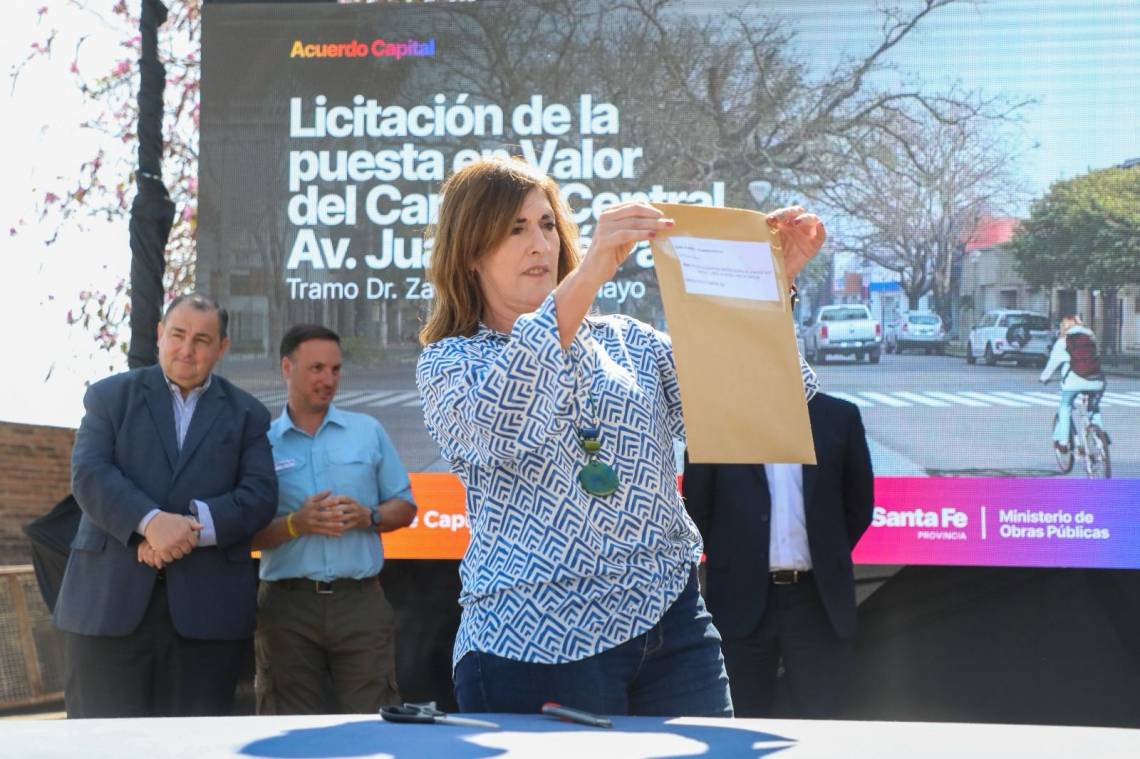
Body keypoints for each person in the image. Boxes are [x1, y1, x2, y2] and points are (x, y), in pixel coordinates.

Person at [415, 157, 825, 716]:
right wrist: (588, 277)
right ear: (468, 253)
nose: (540, 244)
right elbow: (503, 418)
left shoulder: (629, 341)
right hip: (535, 640)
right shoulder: (450, 361)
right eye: (515, 229)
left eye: (546, 225)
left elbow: (760, 403)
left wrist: (768, 288)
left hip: (673, 624)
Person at [54, 293, 277, 718]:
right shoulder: (108, 397)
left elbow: (260, 496)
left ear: (222, 348)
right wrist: (150, 523)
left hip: (206, 616)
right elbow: (90, 474)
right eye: (177, 334)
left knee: (192, 748)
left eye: (202, 339)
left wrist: (184, 530)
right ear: (159, 335)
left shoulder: (248, 414)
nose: (187, 349)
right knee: (99, 747)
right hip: (107, 605)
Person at [252, 324, 417, 714]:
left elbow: (406, 507)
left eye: (336, 370)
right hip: (287, 606)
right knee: (290, 730)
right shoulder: (261, 443)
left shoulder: (367, 431)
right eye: (317, 369)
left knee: (373, 724)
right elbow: (244, 535)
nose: (328, 380)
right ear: (287, 368)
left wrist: (369, 515)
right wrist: (296, 524)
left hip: (358, 601)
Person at [681, 392, 874, 718]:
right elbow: (699, 507)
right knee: (742, 718)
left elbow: (859, 506)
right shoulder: (716, 421)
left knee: (821, 720)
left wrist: (826, 557)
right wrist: (736, 559)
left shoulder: (839, 415)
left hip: (816, 600)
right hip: (741, 598)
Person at [1040, 315, 1107, 453]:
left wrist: (1044, 378)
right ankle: (1101, 437)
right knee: (1094, 408)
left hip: (1073, 383)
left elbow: (1052, 365)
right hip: (1097, 381)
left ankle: (1063, 442)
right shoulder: (1090, 339)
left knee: (1065, 407)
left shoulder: (1063, 342)